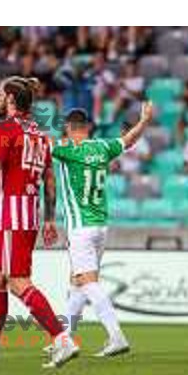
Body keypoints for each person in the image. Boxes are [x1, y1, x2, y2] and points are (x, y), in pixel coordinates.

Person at [0, 76, 78, 368]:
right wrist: (50, 218)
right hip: (27, 214)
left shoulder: (5, 129)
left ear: (11, 98)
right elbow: (49, 181)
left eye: (0, 95)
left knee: (17, 282)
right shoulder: (41, 135)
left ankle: (62, 339)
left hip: (13, 215)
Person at [52, 104, 153, 356]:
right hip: (100, 227)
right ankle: (64, 338)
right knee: (77, 281)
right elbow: (128, 141)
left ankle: (116, 335)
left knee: (88, 283)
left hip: (80, 227)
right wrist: (144, 121)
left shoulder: (67, 148)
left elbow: (39, 146)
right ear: (88, 127)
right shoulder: (102, 147)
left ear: (67, 127)